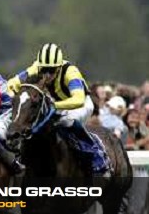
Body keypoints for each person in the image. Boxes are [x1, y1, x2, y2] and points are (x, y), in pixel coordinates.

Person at [7, 43, 110, 176]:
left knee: (67, 121)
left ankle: (96, 155)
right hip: (57, 103)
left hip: (81, 104)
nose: (48, 74)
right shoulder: (35, 68)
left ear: (59, 67)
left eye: (52, 70)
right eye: (44, 69)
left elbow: (78, 99)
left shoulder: (70, 72)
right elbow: (11, 83)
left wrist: (55, 106)